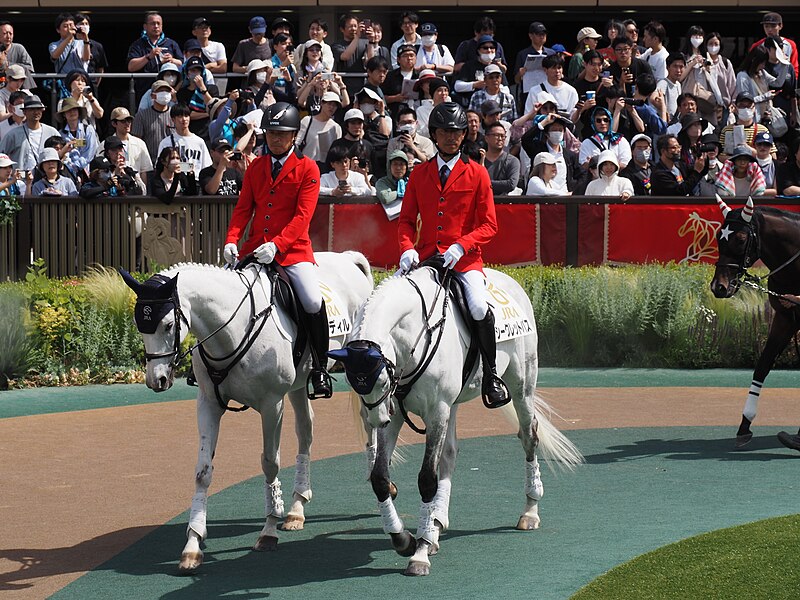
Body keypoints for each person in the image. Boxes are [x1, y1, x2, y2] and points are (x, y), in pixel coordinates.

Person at [397, 101, 509, 408]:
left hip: (464, 261)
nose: (451, 137)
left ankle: (492, 376)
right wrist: (407, 249)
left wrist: (462, 245)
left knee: (477, 308)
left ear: (464, 136)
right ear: (433, 134)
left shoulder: (477, 174)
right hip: (425, 259)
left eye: (457, 132)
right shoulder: (419, 174)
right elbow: (406, 220)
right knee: (393, 300)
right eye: (445, 132)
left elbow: (489, 225)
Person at [223, 102, 333, 399]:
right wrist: (232, 240)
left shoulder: (308, 168)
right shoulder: (256, 166)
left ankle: (320, 369)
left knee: (311, 300)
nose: (275, 138)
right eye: (271, 133)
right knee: (222, 291)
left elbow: (303, 217)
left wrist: (278, 245)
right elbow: (243, 209)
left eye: (281, 133)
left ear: (294, 135)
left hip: (293, 251)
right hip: (255, 249)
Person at [127, 12, 184, 103]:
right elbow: (131, 67)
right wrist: (149, 56)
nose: (156, 26)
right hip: (145, 89)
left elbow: (182, 63)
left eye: (158, 23)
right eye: (153, 23)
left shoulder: (171, 43)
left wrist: (172, 60)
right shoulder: (137, 44)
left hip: (167, 91)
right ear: (145, 26)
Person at [0, 95, 59, 172]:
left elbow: (63, 152)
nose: (36, 112)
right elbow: (1, 154)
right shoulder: (13, 134)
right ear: (24, 111)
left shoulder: (51, 132)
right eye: (32, 109)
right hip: (21, 180)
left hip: (45, 180)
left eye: (38, 109)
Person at [156, 103, 212, 173]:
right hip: (175, 180)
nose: (184, 119)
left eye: (186, 116)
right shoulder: (166, 143)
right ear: (173, 119)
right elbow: (160, 167)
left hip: (195, 181)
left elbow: (206, 166)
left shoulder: (199, 142)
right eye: (180, 116)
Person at [332, 14, 377, 98]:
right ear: (342, 29)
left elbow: (371, 62)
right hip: (344, 89)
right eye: (350, 26)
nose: (353, 29)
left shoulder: (364, 43)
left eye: (355, 26)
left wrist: (371, 41)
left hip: (362, 87)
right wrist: (357, 37)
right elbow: (345, 56)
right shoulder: (336, 45)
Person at [131, 80, 175, 164]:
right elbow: (136, 142)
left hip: (172, 163)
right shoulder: (142, 115)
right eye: (161, 91)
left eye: (167, 91)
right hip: (150, 163)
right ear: (152, 95)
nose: (164, 94)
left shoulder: (175, 114)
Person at [295, 91, 342, 163]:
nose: (331, 107)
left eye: (335, 105)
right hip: (306, 164)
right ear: (322, 103)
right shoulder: (307, 121)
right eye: (329, 104)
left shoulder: (336, 127)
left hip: (325, 167)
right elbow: (297, 143)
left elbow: (337, 151)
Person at [750, 12, 798, 79]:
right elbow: (751, 67)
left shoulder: (790, 44)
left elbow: (794, 67)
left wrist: (791, 83)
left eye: (773, 26)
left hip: (785, 81)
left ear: (780, 26)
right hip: (764, 82)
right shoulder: (757, 46)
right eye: (766, 26)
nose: (769, 29)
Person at [482, 121, 520, 195]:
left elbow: (511, 184)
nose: (500, 139)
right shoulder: (479, 159)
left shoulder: (512, 161)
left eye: (503, 136)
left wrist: (485, 182)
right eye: (496, 135)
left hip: (503, 203)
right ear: (486, 138)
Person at [72, 13, 108, 81]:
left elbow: (100, 68)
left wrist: (96, 84)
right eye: (81, 23)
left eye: (86, 24)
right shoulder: (69, 44)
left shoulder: (97, 46)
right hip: (72, 83)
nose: (84, 26)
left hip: (91, 83)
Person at [0, 21, 35, 89]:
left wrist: (8, 65)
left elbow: (29, 67)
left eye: (10, 33)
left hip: (19, 89)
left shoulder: (19, 48)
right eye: (4, 33)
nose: (8, 36)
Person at [753, 130, 778, 195]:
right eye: (759, 144)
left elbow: (776, 190)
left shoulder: (777, 165)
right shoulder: (750, 163)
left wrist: (757, 192)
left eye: (766, 145)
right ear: (755, 145)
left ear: (771, 147)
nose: (762, 147)